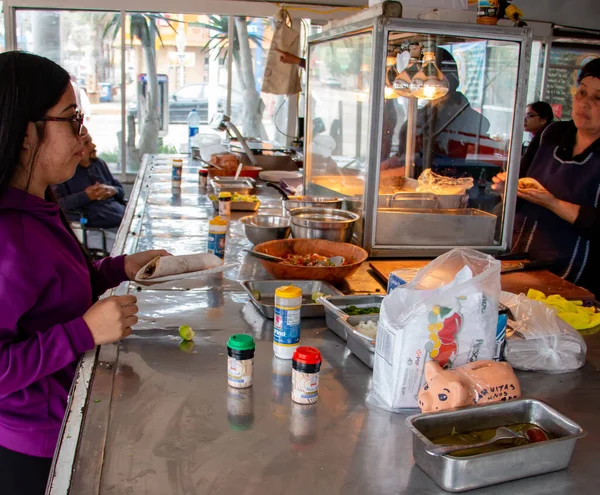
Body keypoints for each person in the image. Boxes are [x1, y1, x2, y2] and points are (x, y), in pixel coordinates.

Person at [0, 51, 167, 494]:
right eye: (71, 119)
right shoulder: (5, 235)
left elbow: (52, 293)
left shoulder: (39, 205)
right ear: (24, 133)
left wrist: (117, 268)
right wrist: (83, 333)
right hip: (33, 450)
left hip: (68, 414)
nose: (83, 133)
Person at [492, 58, 600, 298]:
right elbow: (520, 184)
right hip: (522, 265)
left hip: (578, 285)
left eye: (598, 98)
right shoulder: (551, 134)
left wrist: (552, 203)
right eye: (581, 93)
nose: (585, 103)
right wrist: (507, 188)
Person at [53, 133, 125, 229]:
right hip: (92, 229)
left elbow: (120, 190)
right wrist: (86, 196)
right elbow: (57, 205)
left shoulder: (99, 163)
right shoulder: (61, 174)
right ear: (72, 150)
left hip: (121, 219)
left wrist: (113, 190)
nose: (93, 146)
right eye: (86, 143)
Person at [521, 101, 554, 173]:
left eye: (530, 116)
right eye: (524, 116)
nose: (524, 119)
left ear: (543, 120)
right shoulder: (536, 136)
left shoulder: (546, 139)